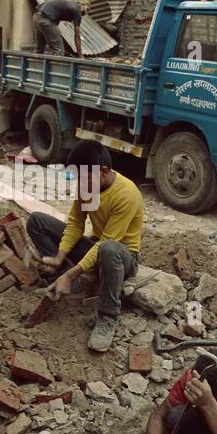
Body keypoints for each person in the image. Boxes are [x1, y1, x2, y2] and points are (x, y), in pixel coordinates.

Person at [27, 140, 142, 352]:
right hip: (97, 246)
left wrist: (71, 273)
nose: (80, 185)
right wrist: (60, 256)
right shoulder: (88, 186)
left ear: (104, 171)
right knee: (37, 221)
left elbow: (108, 242)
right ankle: (72, 285)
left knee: (108, 248)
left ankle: (108, 317)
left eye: (84, 179)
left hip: (122, 257)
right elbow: (76, 224)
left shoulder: (126, 194)